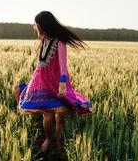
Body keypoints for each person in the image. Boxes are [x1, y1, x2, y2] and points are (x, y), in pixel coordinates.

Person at [14, 11, 92, 154]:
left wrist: (62, 85)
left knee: (60, 116)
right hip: (42, 82)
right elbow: (40, 65)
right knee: (47, 115)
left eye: (36, 24)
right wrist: (33, 82)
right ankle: (50, 139)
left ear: (43, 25)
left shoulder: (59, 42)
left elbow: (63, 66)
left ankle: (58, 142)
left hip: (57, 84)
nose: (35, 27)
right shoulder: (44, 40)